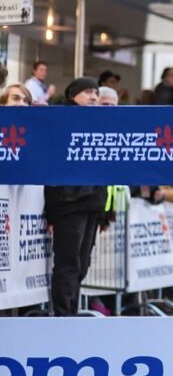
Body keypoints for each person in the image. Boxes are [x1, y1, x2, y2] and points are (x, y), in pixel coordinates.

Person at [43, 77, 107, 316]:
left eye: (96, 92)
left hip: (91, 202)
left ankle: (70, 313)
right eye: (88, 92)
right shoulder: (59, 118)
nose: (93, 97)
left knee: (81, 264)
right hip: (68, 203)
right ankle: (63, 316)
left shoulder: (99, 122)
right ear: (73, 95)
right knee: (68, 264)